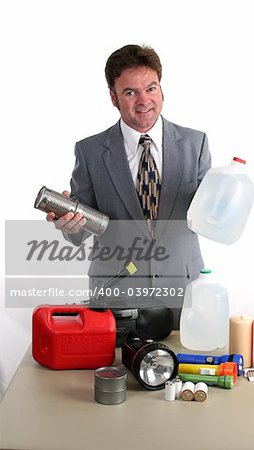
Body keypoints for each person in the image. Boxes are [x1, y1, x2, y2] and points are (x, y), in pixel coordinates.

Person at [46, 44, 211, 328]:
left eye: (151, 88)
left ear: (162, 90)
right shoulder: (91, 151)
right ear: (114, 97)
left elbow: (209, 218)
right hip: (116, 293)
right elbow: (78, 233)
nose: (144, 100)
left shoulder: (195, 144)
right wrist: (70, 227)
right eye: (130, 92)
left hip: (182, 292)